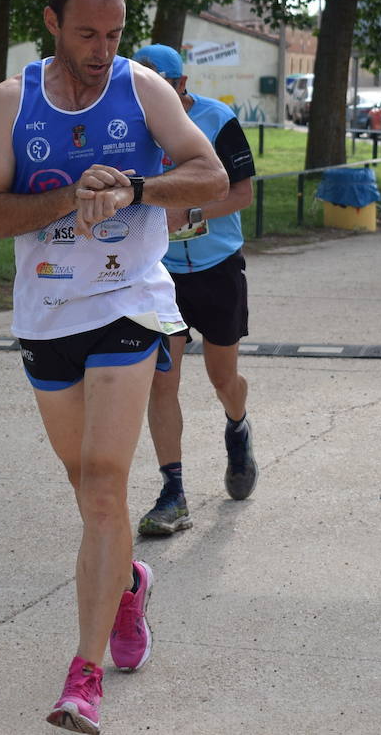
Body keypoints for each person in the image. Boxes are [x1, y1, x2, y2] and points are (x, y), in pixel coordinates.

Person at [0, 0, 227, 734]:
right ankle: (127, 587)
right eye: (86, 32)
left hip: (130, 301)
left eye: (114, 33)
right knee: (89, 493)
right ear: (51, 23)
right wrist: (66, 192)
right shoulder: (9, 103)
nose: (101, 48)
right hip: (46, 313)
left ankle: (82, 679)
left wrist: (135, 189)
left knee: (109, 485)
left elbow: (210, 174)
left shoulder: (142, 87)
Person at [129, 44, 259, 537]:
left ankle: (238, 425)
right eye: (146, 88)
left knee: (224, 379)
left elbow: (243, 192)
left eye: (166, 87)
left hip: (217, 267)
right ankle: (173, 493)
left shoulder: (217, 118)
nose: (157, 98)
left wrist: (194, 212)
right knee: (162, 381)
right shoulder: (130, 129)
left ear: (183, 84)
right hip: (159, 275)